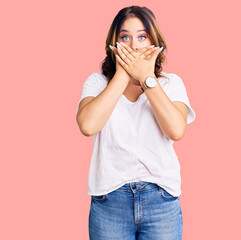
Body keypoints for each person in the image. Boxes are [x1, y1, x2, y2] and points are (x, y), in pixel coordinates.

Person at [76, 5, 196, 240]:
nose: (134, 45)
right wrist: (123, 74)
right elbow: (88, 126)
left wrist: (146, 77)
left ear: (154, 41)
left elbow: (176, 130)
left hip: (161, 200)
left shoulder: (171, 83)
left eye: (142, 36)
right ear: (114, 42)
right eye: (125, 37)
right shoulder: (97, 83)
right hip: (109, 201)